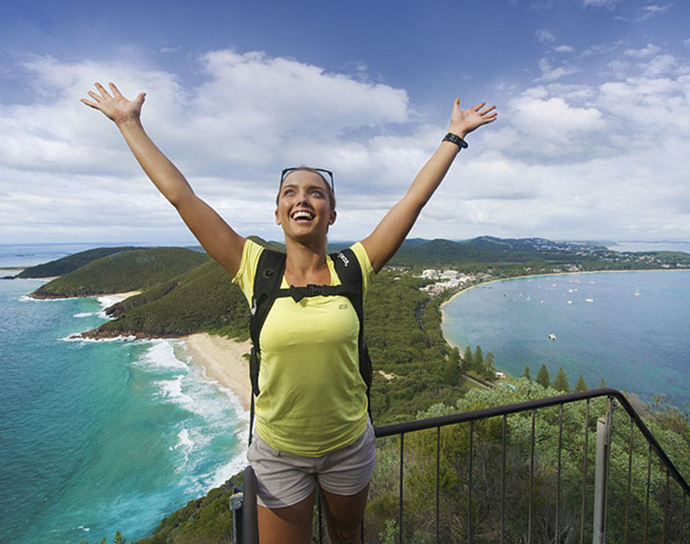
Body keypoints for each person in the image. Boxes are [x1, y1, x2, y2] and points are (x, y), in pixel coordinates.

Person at [81, 82, 497, 544]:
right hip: (279, 453)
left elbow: (412, 201)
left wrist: (453, 138)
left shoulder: (353, 267)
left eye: (316, 193)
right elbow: (184, 198)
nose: (303, 199)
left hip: (349, 445)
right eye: (290, 192)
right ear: (278, 212)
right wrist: (129, 124)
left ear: (331, 213)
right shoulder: (254, 267)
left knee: (348, 535)